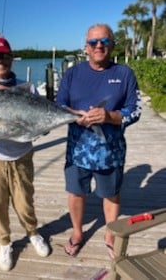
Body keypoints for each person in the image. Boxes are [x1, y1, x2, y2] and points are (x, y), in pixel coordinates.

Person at [56, 24, 142, 258]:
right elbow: (59, 104)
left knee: (111, 194)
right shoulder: (72, 73)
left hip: (110, 151)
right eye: (93, 42)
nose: (99, 46)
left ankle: (110, 234)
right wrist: (76, 115)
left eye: (104, 41)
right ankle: (77, 233)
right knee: (75, 192)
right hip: (77, 149)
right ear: (86, 47)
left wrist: (109, 116)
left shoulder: (125, 74)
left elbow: (135, 111)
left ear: (112, 44)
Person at [0, 37, 50, 271]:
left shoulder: (27, 88)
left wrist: (41, 127)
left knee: (25, 202)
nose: (0, 61)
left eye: (4, 55)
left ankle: (33, 232)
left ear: (12, 57)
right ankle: (5, 243)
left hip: (21, 154)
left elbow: (38, 122)